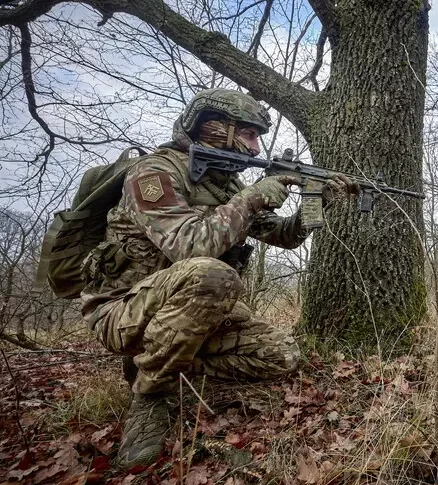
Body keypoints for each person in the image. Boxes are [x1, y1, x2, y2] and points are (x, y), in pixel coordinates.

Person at [79, 88, 357, 469]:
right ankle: (150, 397)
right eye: (250, 135)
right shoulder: (154, 174)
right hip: (123, 310)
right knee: (213, 275)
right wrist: (254, 196)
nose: (256, 148)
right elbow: (190, 247)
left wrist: (316, 200)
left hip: (189, 314)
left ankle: (158, 360)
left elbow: (283, 235)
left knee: (283, 355)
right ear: (216, 127)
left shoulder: (226, 186)